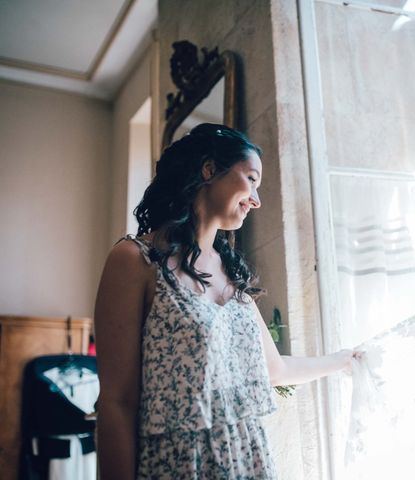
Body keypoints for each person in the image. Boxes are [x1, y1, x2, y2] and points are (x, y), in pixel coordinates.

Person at [94, 123, 358, 479]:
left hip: (247, 460)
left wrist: (344, 361)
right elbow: (117, 402)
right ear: (209, 170)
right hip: (180, 465)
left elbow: (275, 370)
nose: (256, 199)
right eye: (251, 179)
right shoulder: (135, 260)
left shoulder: (232, 276)